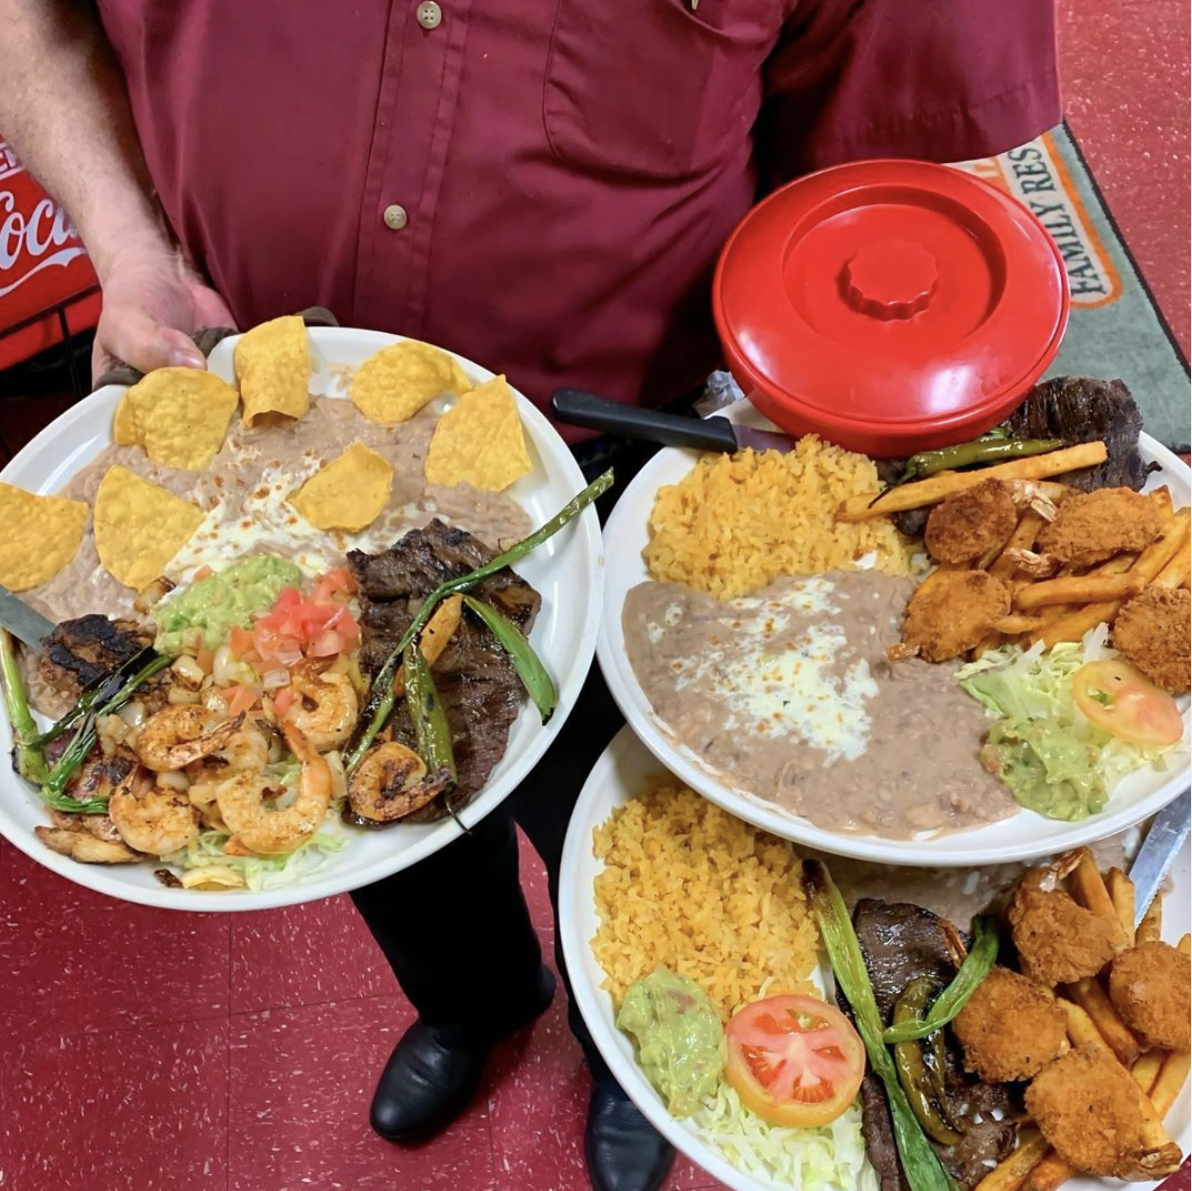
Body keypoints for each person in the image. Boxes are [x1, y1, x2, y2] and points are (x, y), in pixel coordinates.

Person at [0, 4, 1059, 1188]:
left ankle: (621, 1050)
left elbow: (899, 174)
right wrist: (127, 241)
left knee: (622, 824)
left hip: (615, 475)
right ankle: (474, 1001)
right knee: (386, 822)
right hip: (258, 438)